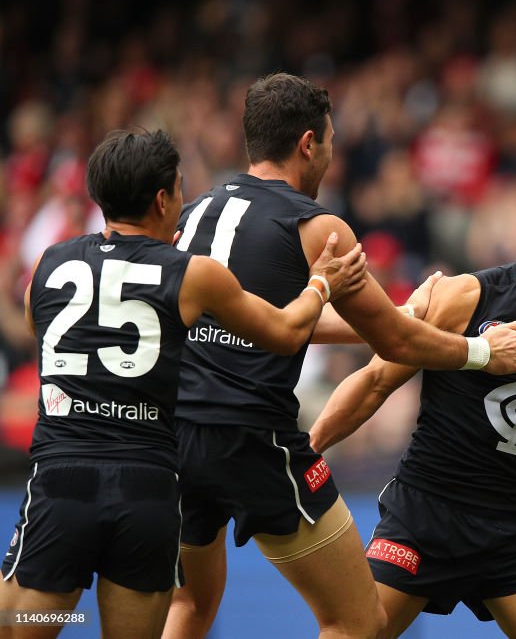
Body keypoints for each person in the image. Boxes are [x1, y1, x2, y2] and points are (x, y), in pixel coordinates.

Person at [162, 73, 516, 639]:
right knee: (356, 621)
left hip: (176, 435)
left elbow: (271, 325)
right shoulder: (319, 227)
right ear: (307, 144)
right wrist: (482, 351)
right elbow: (394, 345)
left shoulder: (196, 212)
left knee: (191, 608)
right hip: (253, 440)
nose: (330, 157)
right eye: (328, 143)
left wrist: (401, 313)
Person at [0, 129, 358, 639]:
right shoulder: (192, 274)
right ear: (163, 198)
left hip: (62, 485)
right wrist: (321, 283)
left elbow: (45, 339)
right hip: (145, 493)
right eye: (182, 189)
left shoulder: (49, 264)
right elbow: (284, 332)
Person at [308, 154, 516, 638]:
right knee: (352, 631)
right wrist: (308, 451)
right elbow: (375, 382)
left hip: (514, 530)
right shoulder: (468, 297)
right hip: (424, 515)